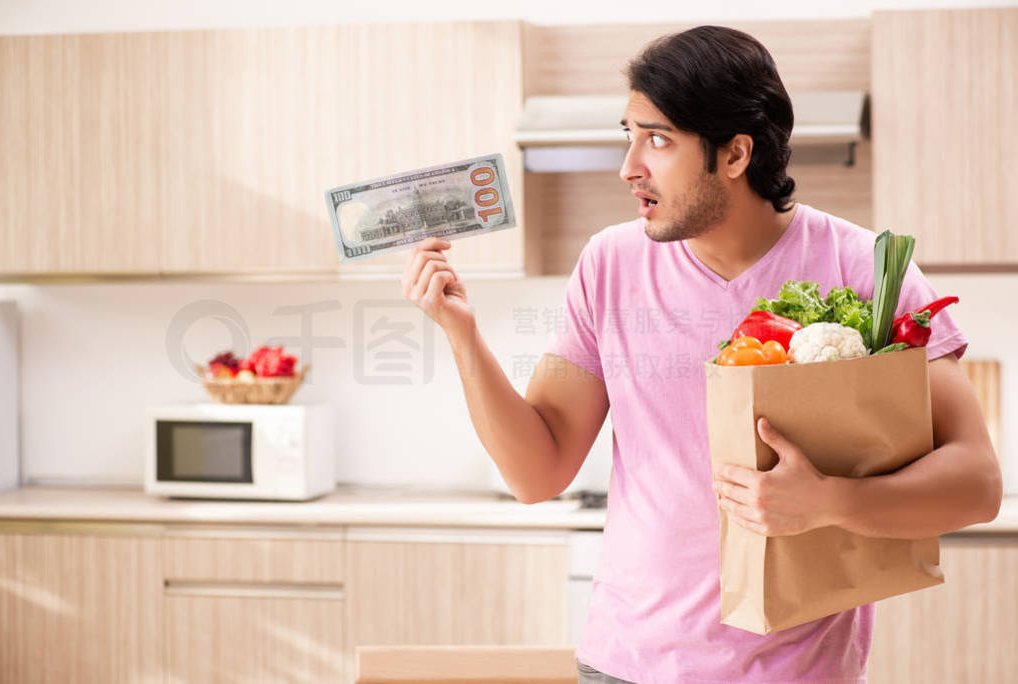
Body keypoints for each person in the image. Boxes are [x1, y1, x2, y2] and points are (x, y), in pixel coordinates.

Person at [400, 25, 1002, 684]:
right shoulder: (611, 264)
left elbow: (976, 483)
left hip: (797, 672)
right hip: (625, 664)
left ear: (736, 154)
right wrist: (461, 335)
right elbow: (537, 474)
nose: (630, 165)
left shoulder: (861, 265)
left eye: (657, 139)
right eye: (628, 135)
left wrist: (830, 500)